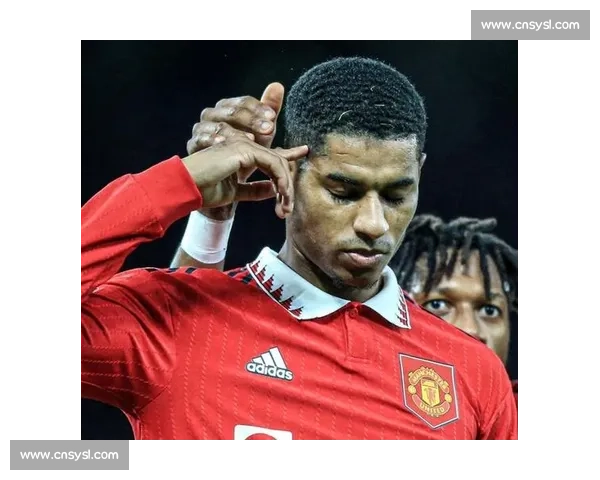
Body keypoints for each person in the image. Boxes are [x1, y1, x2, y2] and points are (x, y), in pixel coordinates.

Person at [80, 57, 517, 439]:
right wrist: (179, 183)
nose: (374, 224)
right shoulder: (170, 322)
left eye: (396, 195)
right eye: (343, 193)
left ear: (419, 174)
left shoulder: (472, 370)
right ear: (285, 171)